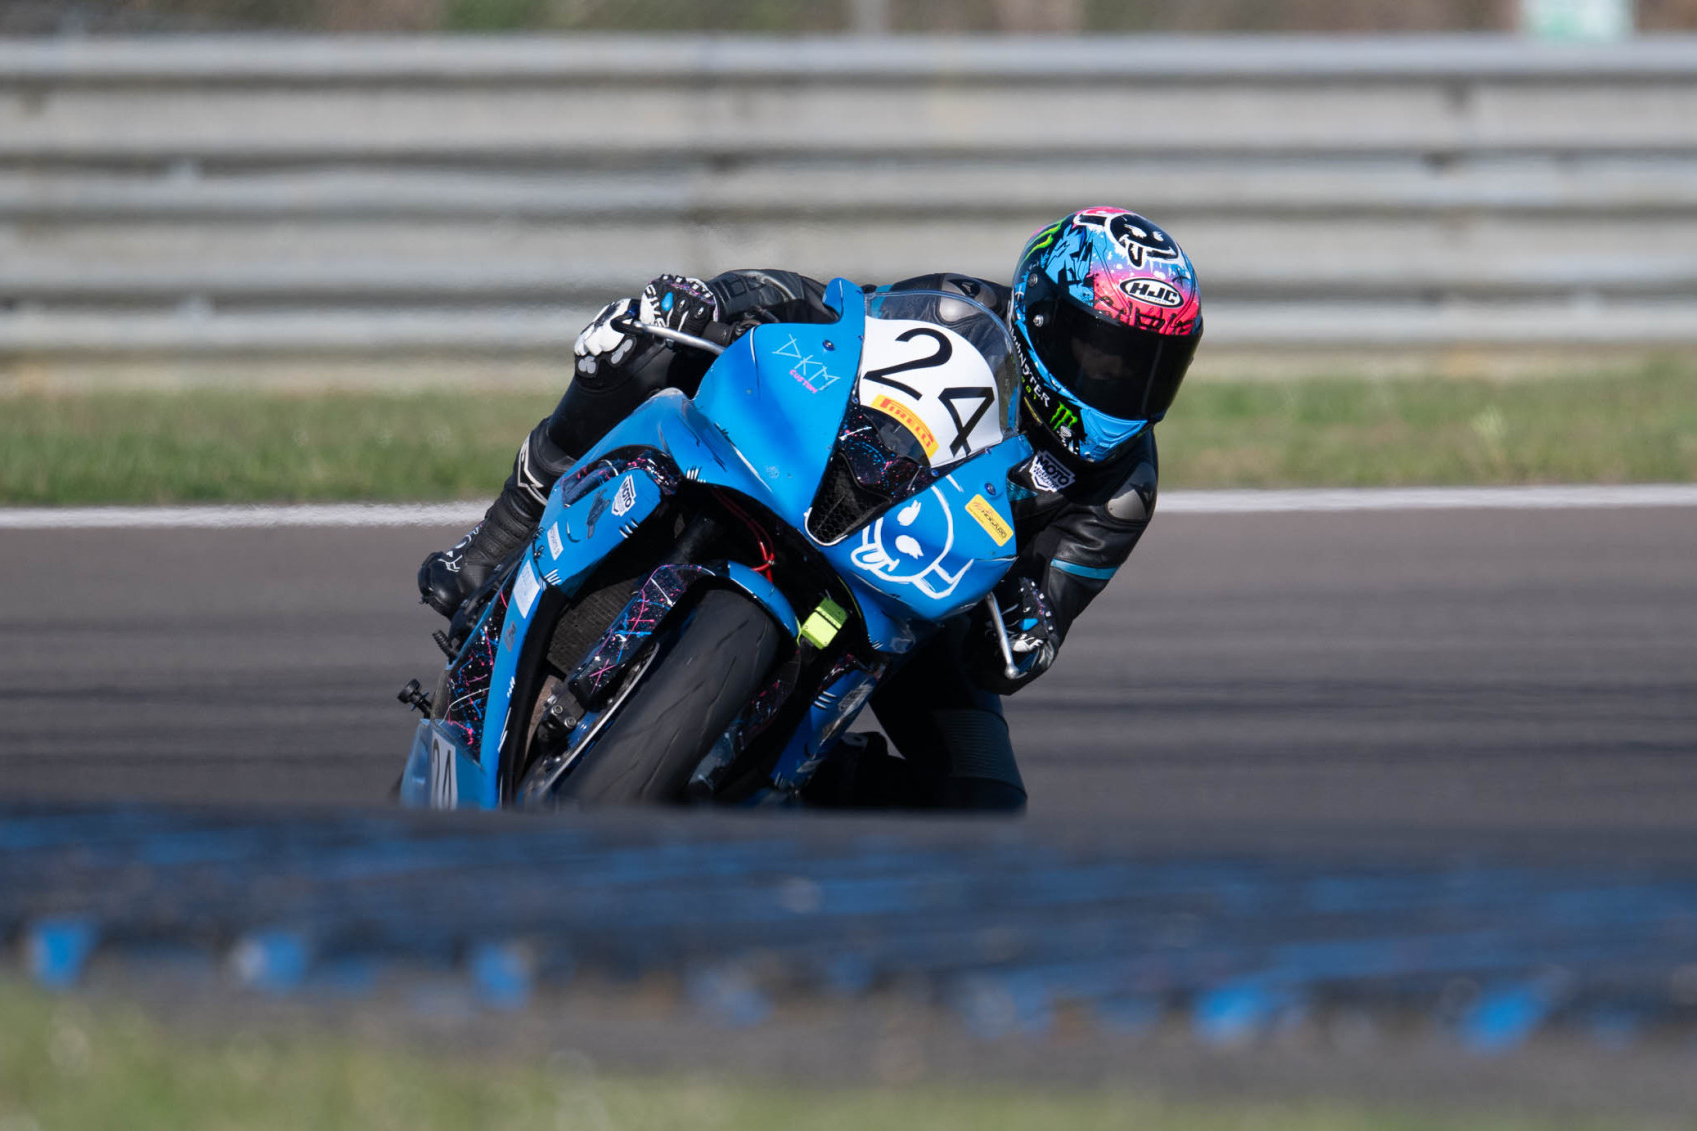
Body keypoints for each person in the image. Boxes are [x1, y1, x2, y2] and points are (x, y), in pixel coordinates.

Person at [417, 207, 1203, 811]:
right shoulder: (961, 311)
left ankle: (800, 792)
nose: (1123, 383)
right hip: (826, 484)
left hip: (925, 604)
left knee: (988, 802)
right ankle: (497, 539)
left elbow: (1034, 624)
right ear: (1043, 317)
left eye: (1150, 367)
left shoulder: (1121, 488)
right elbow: (827, 311)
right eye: (1105, 354)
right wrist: (718, 300)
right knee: (635, 342)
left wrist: (1028, 630)